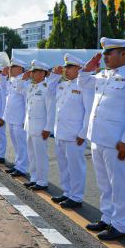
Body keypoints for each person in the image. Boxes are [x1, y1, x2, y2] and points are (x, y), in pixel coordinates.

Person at [78, 38, 125, 240]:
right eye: (105, 53)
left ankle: (120, 224)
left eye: (109, 53)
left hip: (118, 142)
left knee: (119, 184)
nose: (105, 57)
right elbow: (83, 83)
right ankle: (107, 217)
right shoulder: (102, 75)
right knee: (104, 182)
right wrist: (87, 68)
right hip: (99, 138)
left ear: (124, 54)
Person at [48, 54, 94, 209]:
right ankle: (67, 192)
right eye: (65, 67)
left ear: (79, 69)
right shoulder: (62, 85)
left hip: (75, 134)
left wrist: (83, 133)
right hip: (60, 132)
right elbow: (49, 91)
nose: (65, 70)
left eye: (69, 67)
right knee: (64, 165)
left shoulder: (84, 86)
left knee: (76, 166)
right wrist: (54, 76)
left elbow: (89, 111)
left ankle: (76, 197)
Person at [16, 60, 55, 191]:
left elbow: (51, 110)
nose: (32, 73)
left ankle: (42, 181)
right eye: (32, 71)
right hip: (30, 126)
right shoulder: (31, 87)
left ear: (43, 73)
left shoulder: (47, 88)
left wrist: (48, 128)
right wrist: (23, 77)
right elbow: (18, 88)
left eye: (35, 71)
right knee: (32, 154)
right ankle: (34, 178)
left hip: (40, 128)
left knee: (41, 156)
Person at [1, 58, 29, 177]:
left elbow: (27, 102)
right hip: (11, 117)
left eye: (13, 67)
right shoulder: (12, 80)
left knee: (21, 144)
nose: (10, 69)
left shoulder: (25, 81)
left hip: (19, 118)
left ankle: (22, 167)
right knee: (16, 144)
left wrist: (25, 120)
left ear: (21, 69)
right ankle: (18, 165)